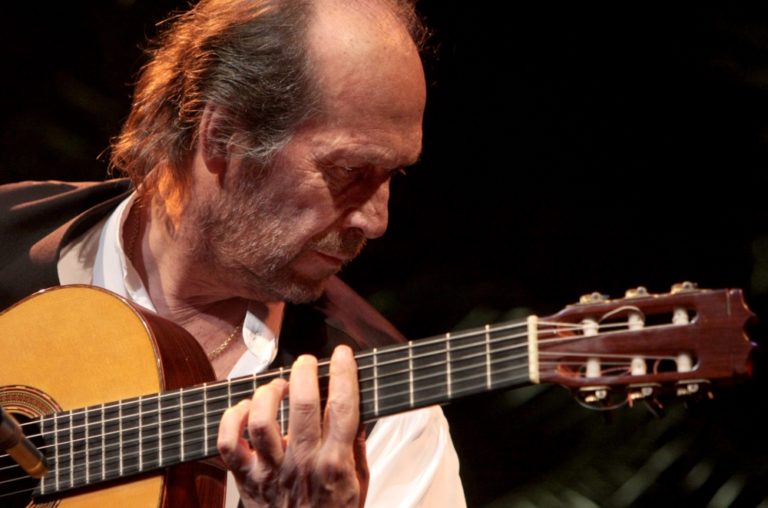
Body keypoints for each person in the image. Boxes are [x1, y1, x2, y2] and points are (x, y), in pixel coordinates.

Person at [0, 0, 466, 506]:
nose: (377, 222)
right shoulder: (10, 229)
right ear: (222, 136)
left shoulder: (387, 418)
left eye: (394, 174)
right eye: (348, 171)